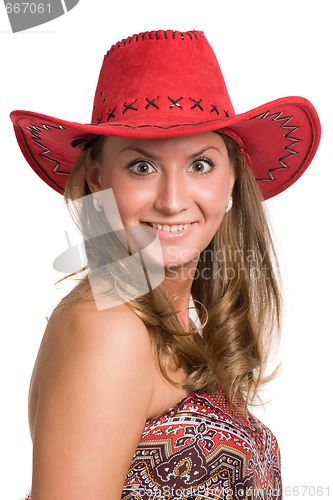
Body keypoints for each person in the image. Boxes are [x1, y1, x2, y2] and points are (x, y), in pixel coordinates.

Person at [11, 29, 320, 500]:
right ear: (97, 180)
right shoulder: (106, 327)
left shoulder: (171, 325)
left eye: (200, 165)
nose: (173, 201)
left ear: (232, 178)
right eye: (142, 166)